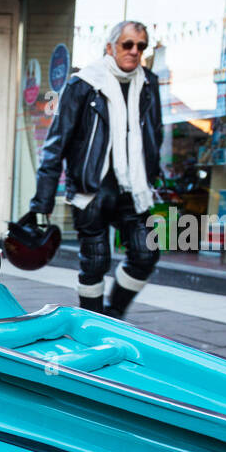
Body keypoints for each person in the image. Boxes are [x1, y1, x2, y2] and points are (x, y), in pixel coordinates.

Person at [27, 20, 164, 318]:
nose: (134, 51)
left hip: (133, 188)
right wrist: (42, 202)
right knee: (95, 261)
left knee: (146, 253)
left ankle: (113, 316)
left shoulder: (149, 84)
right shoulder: (83, 84)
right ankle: (93, 321)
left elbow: (155, 132)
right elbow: (56, 144)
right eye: (128, 44)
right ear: (110, 47)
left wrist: (153, 173)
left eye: (141, 46)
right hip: (91, 189)